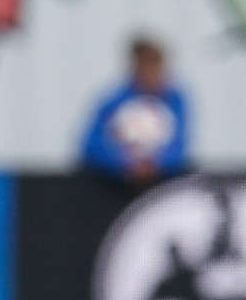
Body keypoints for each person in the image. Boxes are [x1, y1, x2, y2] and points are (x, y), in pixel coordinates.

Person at [80, 34, 190, 189]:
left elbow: (180, 145)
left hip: (162, 188)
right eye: (146, 65)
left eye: (155, 65)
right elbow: (92, 146)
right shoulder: (113, 101)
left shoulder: (176, 101)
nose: (151, 73)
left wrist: (156, 165)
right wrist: (124, 165)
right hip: (116, 188)